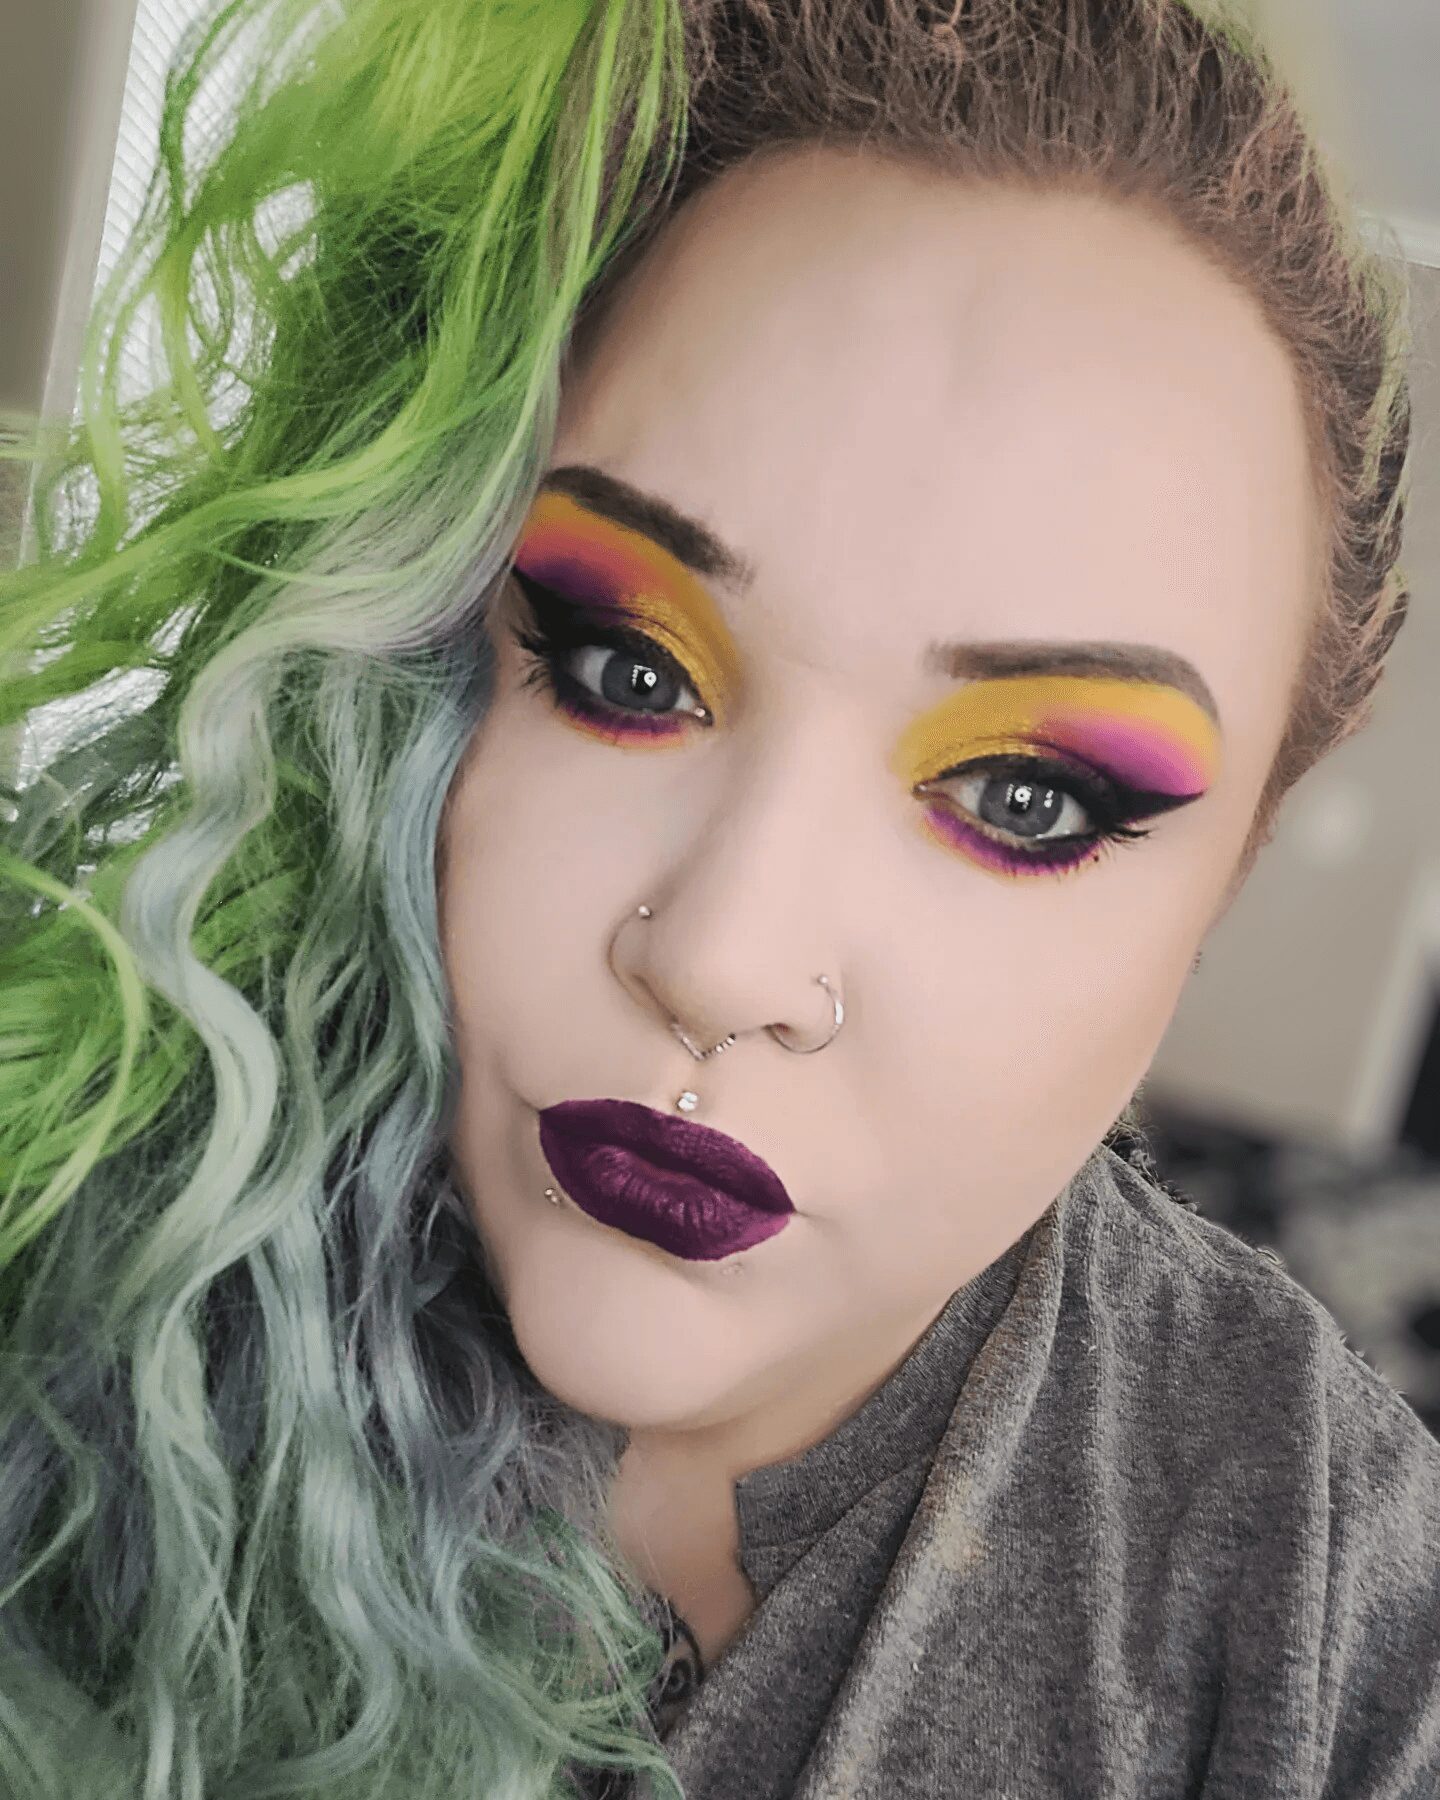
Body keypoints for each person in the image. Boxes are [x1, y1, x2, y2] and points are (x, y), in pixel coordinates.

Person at [0, 1, 1434, 1796]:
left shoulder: (1339, 1638)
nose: (718, 958)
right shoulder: (56, 1253)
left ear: (1223, 887)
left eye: (1023, 799)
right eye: (627, 672)